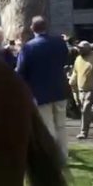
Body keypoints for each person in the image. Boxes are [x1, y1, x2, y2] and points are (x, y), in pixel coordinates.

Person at [16, 16, 71, 163]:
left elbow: (21, 71)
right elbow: (65, 60)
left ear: (32, 28)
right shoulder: (59, 42)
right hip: (59, 89)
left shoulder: (28, 47)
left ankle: (51, 156)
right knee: (61, 125)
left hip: (40, 92)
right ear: (47, 27)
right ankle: (63, 156)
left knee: (48, 126)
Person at [70, 42, 93, 139]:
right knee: (85, 111)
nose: (79, 50)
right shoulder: (78, 59)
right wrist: (72, 82)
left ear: (88, 49)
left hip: (92, 88)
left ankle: (83, 132)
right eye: (79, 48)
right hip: (80, 88)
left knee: (86, 109)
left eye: (82, 48)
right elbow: (75, 72)